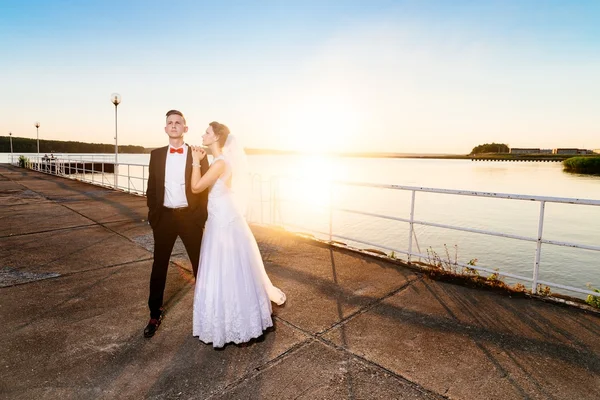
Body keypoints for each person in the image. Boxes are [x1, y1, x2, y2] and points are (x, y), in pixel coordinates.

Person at [190, 121, 286, 348]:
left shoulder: (220, 163)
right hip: (220, 217)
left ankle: (238, 323)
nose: (203, 135)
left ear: (215, 138)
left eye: (207, 132)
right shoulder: (219, 161)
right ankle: (229, 320)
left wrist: (195, 161)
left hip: (223, 221)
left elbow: (196, 188)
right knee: (228, 267)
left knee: (227, 268)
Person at [144, 110, 210, 338]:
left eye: (178, 122)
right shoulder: (156, 155)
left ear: (185, 128)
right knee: (159, 266)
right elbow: (151, 188)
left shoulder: (198, 154)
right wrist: (154, 215)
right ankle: (154, 313)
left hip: (190, 218)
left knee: (201, 266)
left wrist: (200, 216)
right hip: (165, 219)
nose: (173, 125)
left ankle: (209, 313)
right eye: (170, 123)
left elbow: (205, 189)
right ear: (165, 129)